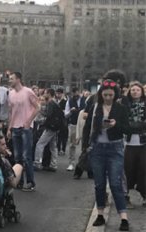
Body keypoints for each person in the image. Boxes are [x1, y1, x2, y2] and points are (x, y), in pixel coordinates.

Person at [83, 79, 130, 231]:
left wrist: (116, 124)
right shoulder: (95, 107)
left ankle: (123, 217)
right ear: (101, 94)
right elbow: (87, 127)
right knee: (99, 183)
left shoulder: (121, 108)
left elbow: (127, 128)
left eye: (110, 95)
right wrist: (85, 146)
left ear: (115, 94)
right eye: (105, 95)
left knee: (116, 183)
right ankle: (100, 214)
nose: (108, 97)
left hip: (115, 148)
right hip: (97, 148)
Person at [7, 72, 39, 192]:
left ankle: (30, 182)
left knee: (26, 156)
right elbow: (11, 112)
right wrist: (9, 128)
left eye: (12, 78)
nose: (10, 80)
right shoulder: (10, 94)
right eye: (9, 79)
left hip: (25, 128)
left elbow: (38, 107)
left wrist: (29, 121)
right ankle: (19, 181)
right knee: (17, 157)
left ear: (18, 79)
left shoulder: (28, 92)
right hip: (15, 127)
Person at [123, 82, 146, 207]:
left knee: (143, 169)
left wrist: (134, 126)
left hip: (143, 142)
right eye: (133, 90)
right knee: (128, 170)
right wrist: (139, 125)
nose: (135, 92)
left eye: (137, 90)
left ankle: (144, 194)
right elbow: (124, 123)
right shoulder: (125, 104)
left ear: (142, 92)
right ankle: (125, 195)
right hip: (129, 142)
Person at [33, 89, 61, 172]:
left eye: (45, 93)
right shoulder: (55, 103)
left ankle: (37, 163)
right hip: (55, 127)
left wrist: (40, 110)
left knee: (40, 144)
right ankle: (53, 164)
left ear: (49, 94)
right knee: (53, 146)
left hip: (50, 127)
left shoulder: (51, 103)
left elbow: (48, 115)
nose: (44, 94)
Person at [64, 87, 86, 171]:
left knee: (84, 145)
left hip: (83, 124)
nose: (75, 95)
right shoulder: (69, 101)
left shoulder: (85, 100)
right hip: (73, 124)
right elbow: (66, 114)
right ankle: (71, 163)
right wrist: (71, 112)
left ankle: (83, 163)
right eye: (74, 94)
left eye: (76, 93)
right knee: (72, 145)